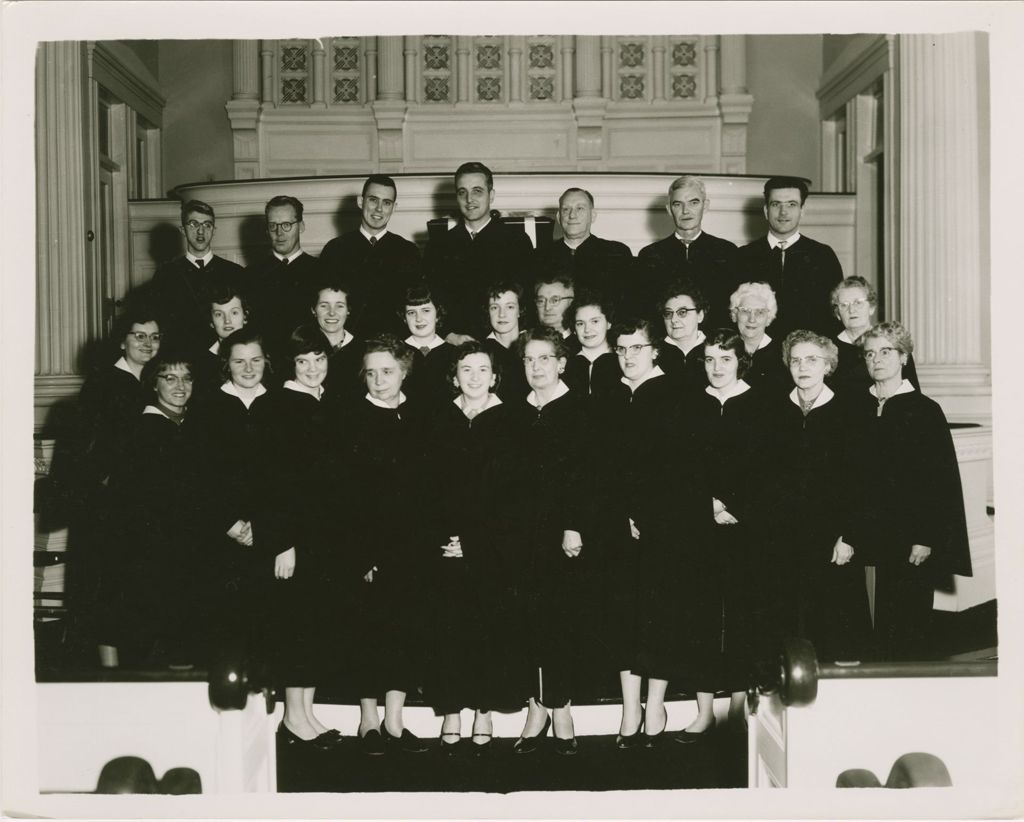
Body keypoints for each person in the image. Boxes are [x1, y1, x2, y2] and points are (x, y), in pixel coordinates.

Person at [592, 318, 716, 748]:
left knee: (657, 615)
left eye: (637, 348)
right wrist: (619, 513)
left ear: (655, 350)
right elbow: (601, 466)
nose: (628, 356)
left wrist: (647, 514)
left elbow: (683, 468)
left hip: (665, 525)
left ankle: (656, 704)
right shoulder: (609, 396)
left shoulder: (677, 394)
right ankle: (631, 708)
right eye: (622, 349)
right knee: (623, 615)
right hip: (617, 525)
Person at [852, 321, 972, 659]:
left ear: (904, 357)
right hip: (868, 534)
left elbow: (938, 483)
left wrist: (925, 537)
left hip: (909, 536)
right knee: (868, 625)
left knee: (907, 623)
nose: (876, 359)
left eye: (886, 351)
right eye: (869, 353)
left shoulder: (924, 410)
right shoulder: (856, 408)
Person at [424, 342, 522, 755]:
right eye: (467, 368)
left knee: (486, 628)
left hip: (492, 547)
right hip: (446, 547)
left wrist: (476, 541)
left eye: (483, 369)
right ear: (455, 374)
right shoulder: (438, 419)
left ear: (495, 375)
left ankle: (483, 710)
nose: (475, 376)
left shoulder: (510, 420)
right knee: (448, 629)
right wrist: (443, 538)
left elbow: (513, 493)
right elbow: (426, 487)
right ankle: (451, 712)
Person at [759, 330, 874, 663]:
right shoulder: (774, 411)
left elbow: (860, 483)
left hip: (832, 541)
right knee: (790, 635)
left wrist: (849, 536)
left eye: (811, 359)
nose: (802, 367)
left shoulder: (850, 412)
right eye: (795, 360)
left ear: (828, 365)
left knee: (838, 636)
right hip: (785, 542)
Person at [341, 335, 430, 754]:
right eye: (372, 373)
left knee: (406, 630)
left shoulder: (420, 416)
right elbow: (343, 495)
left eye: (388, 371)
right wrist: (362, 553)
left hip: (411, 546)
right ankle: (369, 721)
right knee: (367, 632)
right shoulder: (351, 417)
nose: (379, 380)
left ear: (404, 371)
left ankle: (395, 720)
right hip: (366, 549)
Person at [63, 309, 163, 665]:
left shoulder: (156, 381)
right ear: (122, 340)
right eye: (139, 336)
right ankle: (110, 671)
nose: (148, 344)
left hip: (143, 505)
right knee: (108, 585)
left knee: (136, 587)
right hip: (109, 506)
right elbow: (89, 450)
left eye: (154, 337)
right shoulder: (104, 383)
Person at [510, 326, 590, 756]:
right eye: (529, 360)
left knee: (561, 622)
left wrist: (574, 525)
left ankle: (561, 710)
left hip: (563, 537)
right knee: (526, 620)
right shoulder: (514, 412)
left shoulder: (579, 409)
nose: (536, 367)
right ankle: (534, 709)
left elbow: (586, 477)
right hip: (522, 536)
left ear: (561, 363)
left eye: (545, 358)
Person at [263, 326, 344, 752]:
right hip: (295, 539)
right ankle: (293, 719)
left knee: (314, 625)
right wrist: (282, 542)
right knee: (296, 625)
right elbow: (274, 482)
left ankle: (306, 712)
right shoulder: (278, 405)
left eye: (320, 359)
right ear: (290, 365)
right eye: (303, 362)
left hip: (324, 536)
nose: (313, 369)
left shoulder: (326, 400)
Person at [106, 349, 204, 668]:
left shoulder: (189, 425)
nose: (180, 386)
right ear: (154, 384)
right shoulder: (145, 431)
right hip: (154, 558)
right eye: (170, 378)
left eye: (187, 378)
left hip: (185, 554)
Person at [188, 326, 278, 668]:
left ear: (266, 361)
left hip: (269, 533)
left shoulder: (279, 403)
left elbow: (287, 476)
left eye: (255, 360)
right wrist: (228, 523)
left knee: (268, 625)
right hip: (223, 534)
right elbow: (198, 477)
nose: (249, 368)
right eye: (239, 361)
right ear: (226, 364)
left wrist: (267, 525)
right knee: (227, 626)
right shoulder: (207, 407)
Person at [692, 329, 766, 737]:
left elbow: (768, 469)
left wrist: (734, 507)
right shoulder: (692, 404)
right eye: (709, 359)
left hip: (744, 528)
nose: (717, 367)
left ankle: (739, 705)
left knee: (742, 613)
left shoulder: (762, 405)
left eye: (725, 358)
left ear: (741, 361)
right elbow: (683, 466)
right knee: (702, 614)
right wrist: (707, 506)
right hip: (700, 526)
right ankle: (704, 710)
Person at [424, 161, 533, 343]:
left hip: (505, 343)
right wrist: (450, 336)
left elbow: (527, 298)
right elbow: (432, 299)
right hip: (454, 343)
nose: (469, 199)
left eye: (477, 191)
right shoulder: (438, 246)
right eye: (462, 192)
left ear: (491, 195)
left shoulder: (516, 241)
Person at [736, 176, 843, 338]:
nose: (783, 212)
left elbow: (835, 316)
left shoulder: (823, 256)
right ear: (766, 211)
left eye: (791, 204)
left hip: (808, 356)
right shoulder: (743, 256)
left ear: (802, 210)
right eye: (776, 204)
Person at [318, 174, 422, 339]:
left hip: (395, 347)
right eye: (373, 200)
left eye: (386, 203)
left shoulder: (408, 251)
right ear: (361, 202)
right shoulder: (335, 249)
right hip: (347, 347)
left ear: (394, 207)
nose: (379, 209)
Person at [637, 176, 738, 328]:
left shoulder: (727, 252)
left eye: (694, 202)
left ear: (705, 206)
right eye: (678, 204)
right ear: (669, 210)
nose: (686, 211)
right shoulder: (650, 255)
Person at [145, 200, 245, 352]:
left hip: (224, 355)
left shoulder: (234, 272)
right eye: (193, 224)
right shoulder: (166, 274)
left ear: (214, 230)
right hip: (182, 356)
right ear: (183, 230)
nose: (200, 231)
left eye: (207, 225)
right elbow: (160, 323)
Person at [532, 187, 633, 307]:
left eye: (580, 208)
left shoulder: (617, 253)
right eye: (566, 209)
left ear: (593, 215)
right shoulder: (539, 257)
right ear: (559, 217)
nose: (572, 215)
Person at [249, 195, 321, 356]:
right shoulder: (251, 274)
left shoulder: (321, 270)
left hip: (308, 366)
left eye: (287, 225)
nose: (279, 232)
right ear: (267, 230)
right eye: (273, 225)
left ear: (301, 226)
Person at [827, 276, 920, 394]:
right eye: (844, 305)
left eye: (858, 302)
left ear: (871, 307)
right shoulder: (826, 348)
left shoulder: (893, 341)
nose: (852, 310)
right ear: (838, 314)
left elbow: (913, 393)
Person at [728, 281, 788, 395]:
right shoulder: (726, 349)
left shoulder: (782, 352)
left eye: (760, 312)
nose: (752, 319)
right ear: (735, 315)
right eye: (745, 311)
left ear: (769, 318)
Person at [309, 275, 364, 400]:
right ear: (313, 310)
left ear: (348, 310)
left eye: (339, 306)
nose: (332, 312)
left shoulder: (363, 349)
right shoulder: (301, 348)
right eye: (324, 305)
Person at [400, 285, 454, 408]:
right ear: (404, 318)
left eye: (426, 310)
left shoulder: (455, 354)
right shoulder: (396, 353)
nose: (418, 319)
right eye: (411, 312)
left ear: (438, 314)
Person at [193, 282, 250, 394]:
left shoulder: (263, 354)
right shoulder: (201, 363)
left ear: (245, 316)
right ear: (211, 321)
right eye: (219, 314)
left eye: (234, 312)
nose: (227, 320)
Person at [562, 290, 621, 400]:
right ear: (574, 329)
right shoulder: (565, 363)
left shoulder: (621, 361)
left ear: (609, 323)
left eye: (594, 321)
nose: (587, 330)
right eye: (580, 324)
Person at [656, 280, 710, 395]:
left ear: (700, 315)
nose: (674, 320)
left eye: (682, 312)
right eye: (668, 313)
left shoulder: (716, 350)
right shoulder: (653, 353)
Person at [482, 281, 529, 402]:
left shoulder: (534, 345)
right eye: (494, 307)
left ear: (520, 311)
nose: (501, 314)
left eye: (510, 307)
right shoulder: (480, 352)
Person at [532, 272, 579, 352]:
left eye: (555, 300)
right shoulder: (526, 343)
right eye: (541, 301)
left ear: (571, 303)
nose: (547, 307)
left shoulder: (582, 347)